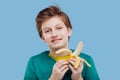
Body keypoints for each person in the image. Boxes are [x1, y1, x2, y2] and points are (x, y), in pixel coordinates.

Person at [24, 5, 100, 80]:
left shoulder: (86, 60)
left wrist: (78, 78)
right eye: (47, 31)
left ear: (69, 31)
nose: (54, 34)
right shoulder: (34, 62)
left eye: (59, 28)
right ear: (43, 37)